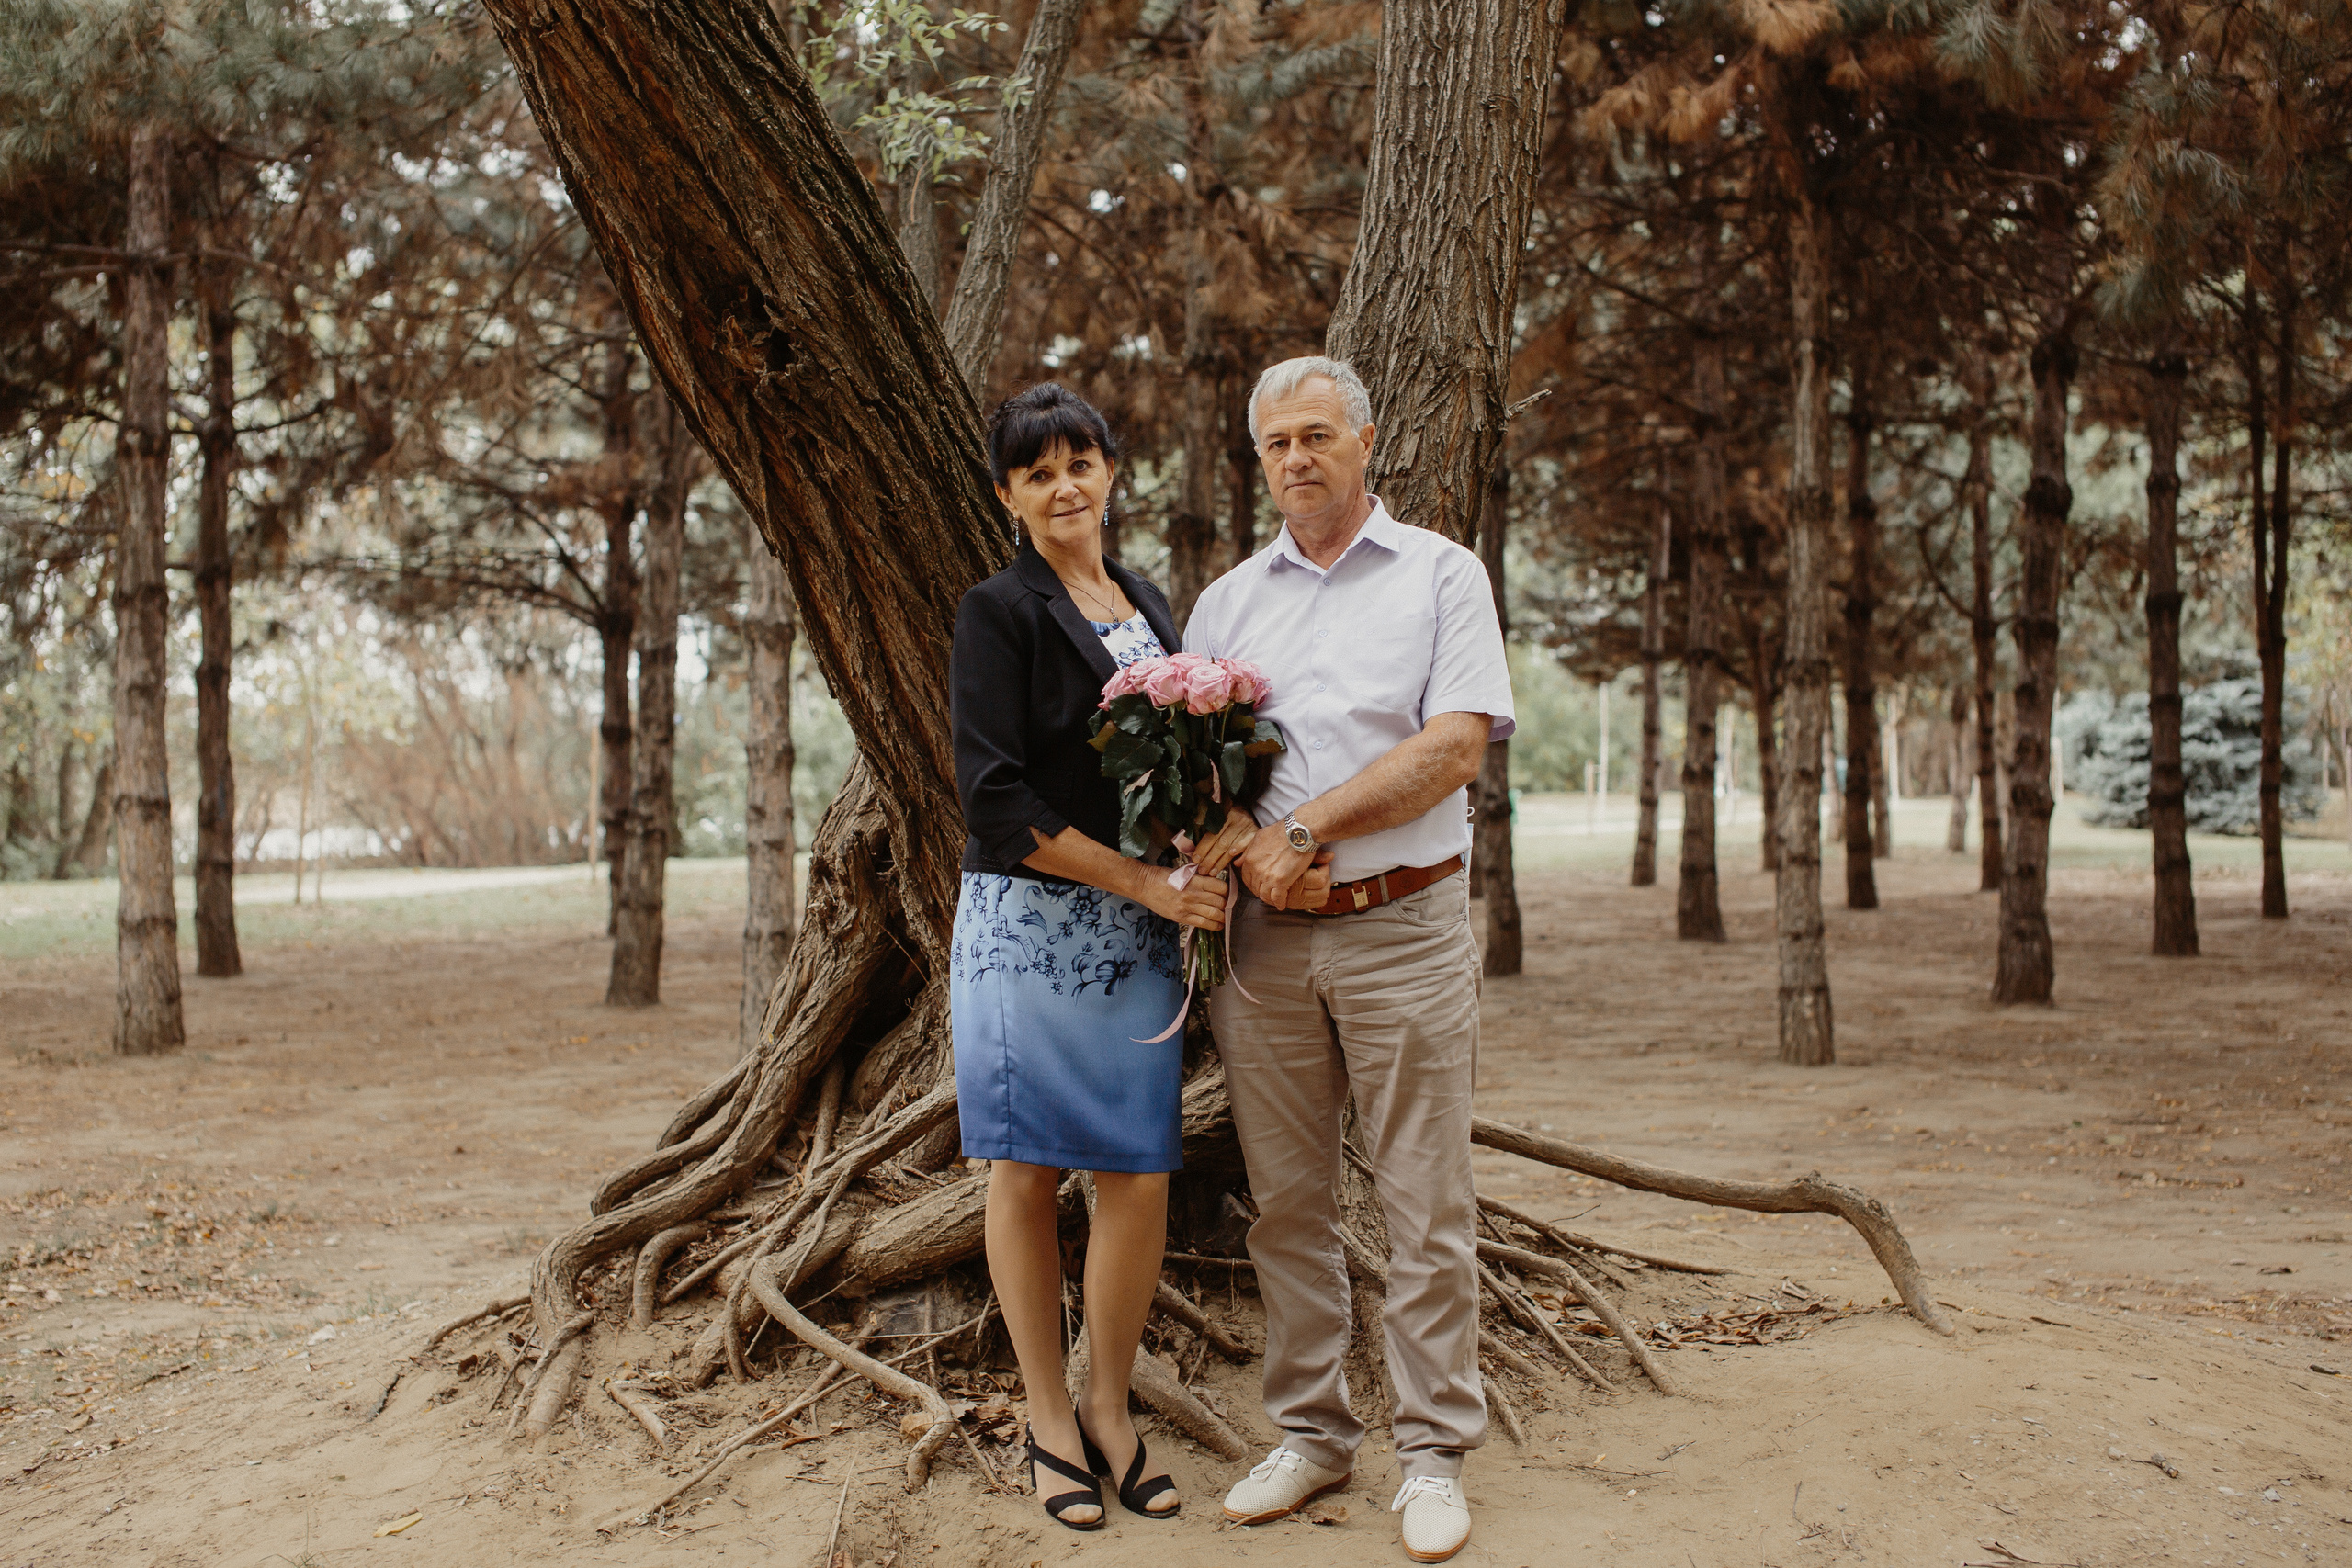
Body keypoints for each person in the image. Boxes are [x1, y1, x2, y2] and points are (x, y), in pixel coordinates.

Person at [1184, 355, 1514, 1565]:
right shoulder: (1223, 608)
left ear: (1366, 442)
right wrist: (1245, 849)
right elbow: (1199, 779)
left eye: (1317, 435)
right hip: (1267, 943)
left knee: (1426, 1198)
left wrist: (1305, 830)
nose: (1296, 459)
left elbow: (1455, 745)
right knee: (1288, 1201)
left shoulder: (1440, 574)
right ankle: (1313, 1430)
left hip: (1404, 923)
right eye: (1276, 442)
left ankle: (1432, 1451)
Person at [950, 383, 1266, 1530]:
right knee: (1026, 1173)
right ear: (1009, 497)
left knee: (1136, 1172)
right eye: (1036, 473)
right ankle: (1043, 1418)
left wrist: (1206, 836)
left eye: (1077, 461)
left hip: (1141, 929)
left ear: (1110, 471)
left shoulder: (1144, 600)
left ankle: (1109, 1405)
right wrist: (1147, 881)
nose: (1063, 485)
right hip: (1030, 926)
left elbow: (1171, 763)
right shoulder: (998, 610)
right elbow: (991, 798)